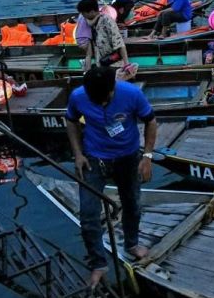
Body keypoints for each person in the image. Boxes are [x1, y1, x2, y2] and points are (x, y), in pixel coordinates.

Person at [65, 66, 156, 286]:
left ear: (113, 89)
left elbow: (151, 121)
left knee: (132, 203)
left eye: (105, 100)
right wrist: (77, 154)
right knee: (88, 214)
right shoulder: (78, 96)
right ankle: (98, 263)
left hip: (127, 157)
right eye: (96, 101)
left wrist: (147, 157)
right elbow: (71, 121)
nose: (101, 104)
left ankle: (131, 243)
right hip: (94, 159)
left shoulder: (132, 94)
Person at [77, 0, 129, 68]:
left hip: (112, 64)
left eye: (84, 13)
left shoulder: (107, 20)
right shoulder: (89, 21)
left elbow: (119, 43)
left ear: (92, 11)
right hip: (100, 63)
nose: (83, 16)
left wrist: (126, 64)